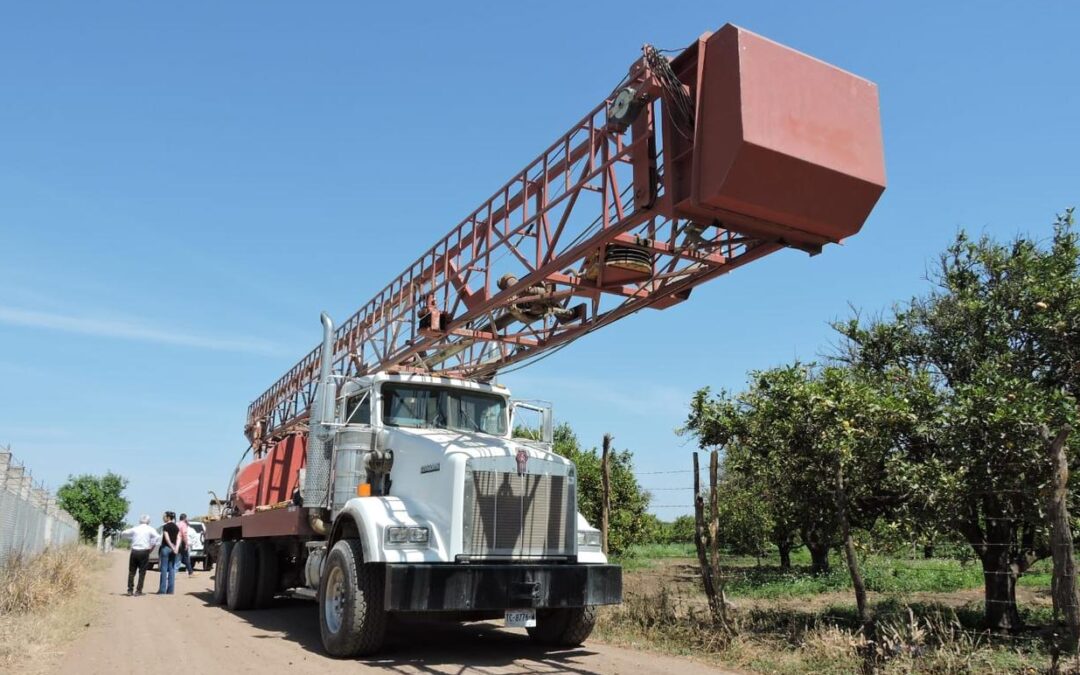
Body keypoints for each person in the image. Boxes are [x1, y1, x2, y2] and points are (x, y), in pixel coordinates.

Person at [119, 515, 160, 596]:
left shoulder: (135, 529)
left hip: (134, 551)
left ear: (139, 521)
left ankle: (130, 590)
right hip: (144, 551)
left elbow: (124, 533)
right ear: (148, 521)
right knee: (142, 572)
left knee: (132, 571)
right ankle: (138, 591)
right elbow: (157, 537)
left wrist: (129, 537)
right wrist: (152, 545)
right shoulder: (150, 529)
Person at [158, 511, 180, 595]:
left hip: (166, 548)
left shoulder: (166, 526)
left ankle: (162, 590)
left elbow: (167, 539)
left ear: (168, 517)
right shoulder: (176, 527)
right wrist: (176, 548)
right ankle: (170, 590)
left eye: (164, 516)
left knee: (164, 568)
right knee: (172, 569)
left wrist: (171, 546)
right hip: (174, 549)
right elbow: (178, 538)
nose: (163, 518)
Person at [177, 513, 193, 577]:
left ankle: (190, 571)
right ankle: (190, 572)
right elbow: (184, 534)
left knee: (178, 558)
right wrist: (186, 543)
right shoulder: (183, 525)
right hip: (182, 542)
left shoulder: (177, 524)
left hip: (176, 543)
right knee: (186, 557)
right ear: (185, 518)